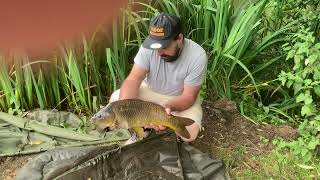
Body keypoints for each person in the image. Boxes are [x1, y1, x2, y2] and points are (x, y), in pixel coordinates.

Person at [108, 12, 208, 142]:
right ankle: (144, 130)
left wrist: (166, 108)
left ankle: (170, 130)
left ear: (179, 38)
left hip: (179, 98)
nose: (159, 52)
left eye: (165, 47)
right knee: (116, 101)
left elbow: (189, 97)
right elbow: (134, 79)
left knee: (191, 131)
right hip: (150, 91)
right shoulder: (148, 48)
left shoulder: (197, 56)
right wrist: (124, 108)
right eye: (156, 47)